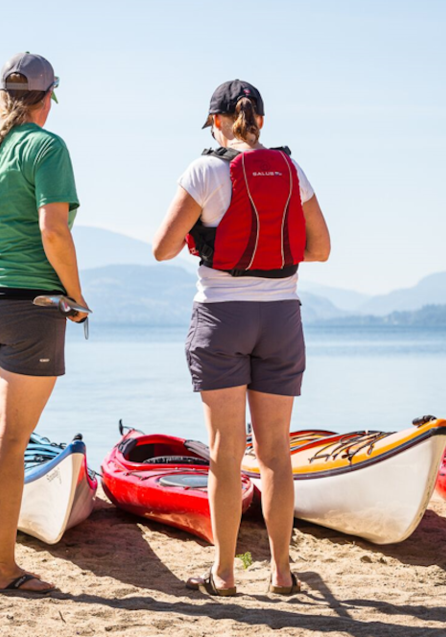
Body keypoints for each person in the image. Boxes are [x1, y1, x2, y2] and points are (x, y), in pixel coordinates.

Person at [152, 79, 331, 596]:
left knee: (224, 453)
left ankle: (225, 575)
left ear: (216, 121)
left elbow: (162, 249)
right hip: (281, 318)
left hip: (222, 318)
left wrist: (202, 237)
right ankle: (281, 574)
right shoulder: (292, 170)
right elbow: (319, 249)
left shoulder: (205, 169)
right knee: (276, 453)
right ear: (260, 121)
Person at [0, 52, 87, 594]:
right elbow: (55, 233)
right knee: (9, 437)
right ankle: (1, 569)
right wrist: (75, 298)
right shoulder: (46, 147)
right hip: (29, 306)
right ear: (48, 97)